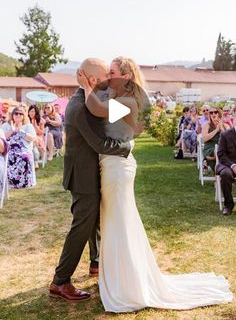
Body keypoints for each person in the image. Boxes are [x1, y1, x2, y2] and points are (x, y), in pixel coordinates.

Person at [80, 56, 232, 313]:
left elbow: (96, 108)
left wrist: (86, 85)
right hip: (113, 165)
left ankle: (128, 285)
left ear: (126, 76)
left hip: (118, 168)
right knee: (117, 222)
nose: (108, 76)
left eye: (113, 72)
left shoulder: (128, 100)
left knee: (118, 222)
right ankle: (120, 276)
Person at [49, 58, 132, 302]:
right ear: (94, 80)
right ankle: (60, 281)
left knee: (95, 219)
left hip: (91, 170)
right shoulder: (79, 107)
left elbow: (122, 110)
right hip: (82, 176)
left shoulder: (93, 97)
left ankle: (95, 263)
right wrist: (127, 146)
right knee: (82, 225)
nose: (109, 80)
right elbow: (99, 143)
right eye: (106, 77)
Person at [1, 107, 37, 189]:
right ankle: (10, 182)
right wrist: (11, 130)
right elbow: (2, 138)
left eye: (21, 113)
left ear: (24, 116)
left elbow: (32, 138)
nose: (18, 115)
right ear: (12, 115)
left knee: (25, 156)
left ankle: (24, 182)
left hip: (24, 149)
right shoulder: (6, 125)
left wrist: (21, 131)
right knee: (9, 156)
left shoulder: (28, 126)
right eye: (16, 113)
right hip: (9, 149)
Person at [202, 107, 230, 174]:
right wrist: (216, 130)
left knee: (222, 153)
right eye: (211, 113)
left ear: (219, 114)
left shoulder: (226, 126)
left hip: (223, 150)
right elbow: (205, 138)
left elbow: (229, 140)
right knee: (217, 150)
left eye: (215, 112)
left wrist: (221, 128)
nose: (213, 114)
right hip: (210, 149)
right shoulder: (207, 125)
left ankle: (207, 160)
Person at [216, 126, 236, 215]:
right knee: (225, 174)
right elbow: (221, 154)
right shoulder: (225, 134)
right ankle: (228, 205)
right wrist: (233, 165)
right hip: (228, 164)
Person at [28, 104, 46, 169]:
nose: (33, 113)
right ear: (28, 112)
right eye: (31, 111)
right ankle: (35, 160)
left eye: (34, 111)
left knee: (34, 139)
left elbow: (41, 132)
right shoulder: (26, 120)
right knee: (31, 139)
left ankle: (35, 162)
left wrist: (35, 126)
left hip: (38, 138)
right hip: (28, 138)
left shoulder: (40, 120)